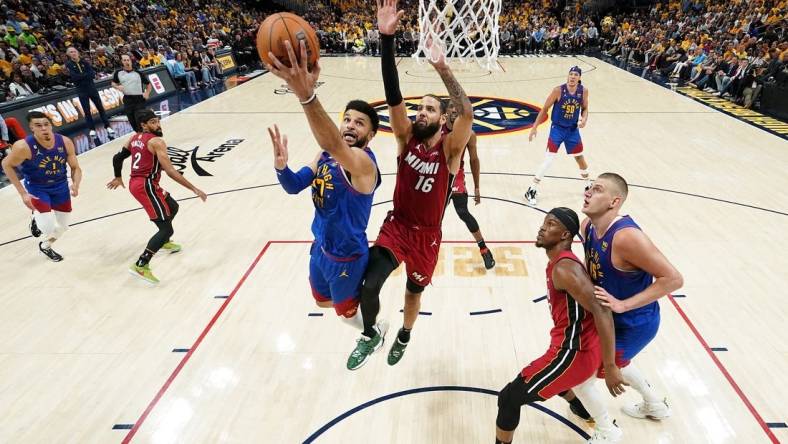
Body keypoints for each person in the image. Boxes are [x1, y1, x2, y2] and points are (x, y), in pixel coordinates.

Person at [346, 0, 475, 371]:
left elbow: (466, 112)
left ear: (442, 119)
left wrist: (441, 66)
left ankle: (404, 334)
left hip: (428, 237)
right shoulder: (406, 138)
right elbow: (393, 96)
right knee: (369, 287)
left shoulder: (450, 151)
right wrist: (386, 40)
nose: (421, 112)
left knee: (413, 293)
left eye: (430, 109)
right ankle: (371, 334)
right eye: (420, 108)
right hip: (397, 227)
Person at [265, 39, 383, 332]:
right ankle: (360, 303)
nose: (350, 126)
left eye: (359, 123)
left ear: (371, 134)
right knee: (320, 301)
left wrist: (306, 95)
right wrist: (281, 167)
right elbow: (294, 186)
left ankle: (373, 331)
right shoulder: (325, 155)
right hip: (320, 247)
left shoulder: (364, 164)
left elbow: (331, 140)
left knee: (344, 314)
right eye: (347, 120)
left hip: (347, 256)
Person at [495, 208, 626, 444]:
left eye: (551, 224)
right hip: (570, 347)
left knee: (508, 398)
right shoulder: (560, 264)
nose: (543, 227)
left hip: (573, 354)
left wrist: (610, 366)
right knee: (553, 381)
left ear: (565, 235)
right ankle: (581, 409)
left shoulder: (565, 268)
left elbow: (602, 311)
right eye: (544, 222)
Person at [581, 172, 683, 421]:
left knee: (581, 377)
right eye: (588, 187)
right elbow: (594, 268)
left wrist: (623, 304)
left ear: (614, 202)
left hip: (636, 323)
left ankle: (607, 430)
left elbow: (673, 279)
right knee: (618, 362)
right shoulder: (587, 227)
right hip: (609, 320)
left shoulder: (627, 237)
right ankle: (654, 405)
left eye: (597, 189)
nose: (587, 193)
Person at [107, 109, 207, 284]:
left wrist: (118, 176)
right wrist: (194, 188)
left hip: (142, 183)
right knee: (166, 228)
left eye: (158, 121)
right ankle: (141, 264)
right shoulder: (157, 142)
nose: (158, 125)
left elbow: (118, 157)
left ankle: (164, 242)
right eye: (153, 122)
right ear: (143, 125)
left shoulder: (134, 138)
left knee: (173, 207)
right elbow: (169, 170)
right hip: (145, 185)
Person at [1, 111, 81, 261]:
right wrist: (23, 194)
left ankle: (45, 246)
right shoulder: (23, 146)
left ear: (50, 126)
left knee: (63, 227)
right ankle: (36, 218)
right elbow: (6, 164)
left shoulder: (65, 142)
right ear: (32, 128)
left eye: (46, 124)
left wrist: (76, 184)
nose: (44, 128)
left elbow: (76, 167)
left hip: (61, 186)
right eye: (38, 125)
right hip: (37, 188)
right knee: (47, 227)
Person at [525, 66, 590, 206]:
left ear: (579, 77)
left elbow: (585, 109)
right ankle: (531, 189)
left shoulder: (583, 91)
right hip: (557, 129)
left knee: (580, 157)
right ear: (568, 76)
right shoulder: (558, 90)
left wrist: (584, 119)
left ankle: (588, 185)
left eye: (575, 75)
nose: (572, 77)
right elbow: (544, 109)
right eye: (571, 74)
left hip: (572, 130)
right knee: (549, 159)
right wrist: (534, 127)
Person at [444, 101, 495, 269]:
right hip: (437, 175)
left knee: (463, 212)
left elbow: (474, 159)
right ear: (445, 111)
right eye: (451, 106)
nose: (454, 109)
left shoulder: (469, 133)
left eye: (457, 107)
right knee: (433, 215)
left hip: (456, 175)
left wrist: (477, 187)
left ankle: (484, 248)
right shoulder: (436, 128)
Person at [65, 47, 116, 142]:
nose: (73, 53)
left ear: (78, 52)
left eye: (75, 51)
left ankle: (107, 126)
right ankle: (92, 129)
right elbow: (74, 77)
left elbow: (92, 74)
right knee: (87, 111)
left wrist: (82, 76)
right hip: (81, 90)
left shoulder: (85, 62)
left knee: (100, 107)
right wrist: (85, 75)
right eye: (71, 52)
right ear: (68, 54)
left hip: (92, 88)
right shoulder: (68, 64)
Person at [112, 54, 152, 132]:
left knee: (140, 119)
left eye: (128, 60)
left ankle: (146, 135)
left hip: (139, 99)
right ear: (122, 62)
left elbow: (148, 84)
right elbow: (113, 83)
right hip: (127, 99)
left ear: (131, 61)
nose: (127, 62)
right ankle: (139, 135)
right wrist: (117, 87)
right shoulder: (118, 73)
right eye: (124, 60)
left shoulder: (138, 73)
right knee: (132, 121)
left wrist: (147, 93)